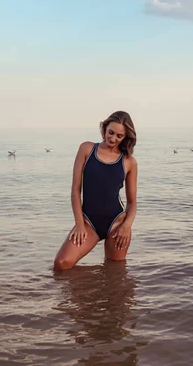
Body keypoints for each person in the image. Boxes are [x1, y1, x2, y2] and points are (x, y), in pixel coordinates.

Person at [53, 111, 138, 271]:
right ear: (104, 128)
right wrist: (79, 224)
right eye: (111, 132)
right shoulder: (87, 149)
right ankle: (81, 294)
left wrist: (126, 226)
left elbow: (132, 202)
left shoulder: (129, 162)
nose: (113, 138)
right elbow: (75, 190)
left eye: (119, 136)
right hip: (88, 223)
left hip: (117, 224)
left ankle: (101, 293)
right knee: (61, 264)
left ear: (125, 137)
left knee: (115, 274)